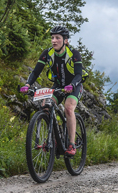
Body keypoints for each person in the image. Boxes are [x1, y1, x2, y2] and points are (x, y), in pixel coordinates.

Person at [20, 26, 83, 157]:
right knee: (45, 106)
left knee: (68, 109)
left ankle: (71, 144)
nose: (54, 40)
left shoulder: (74, 53)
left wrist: (71, 85)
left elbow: (79, 75)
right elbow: (36, 71)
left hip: (74, 86)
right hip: (58, 86)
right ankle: (54, 138)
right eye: (52, 38)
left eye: (57, 38)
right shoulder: (47, 53)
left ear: (65, 40)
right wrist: (27, 84)